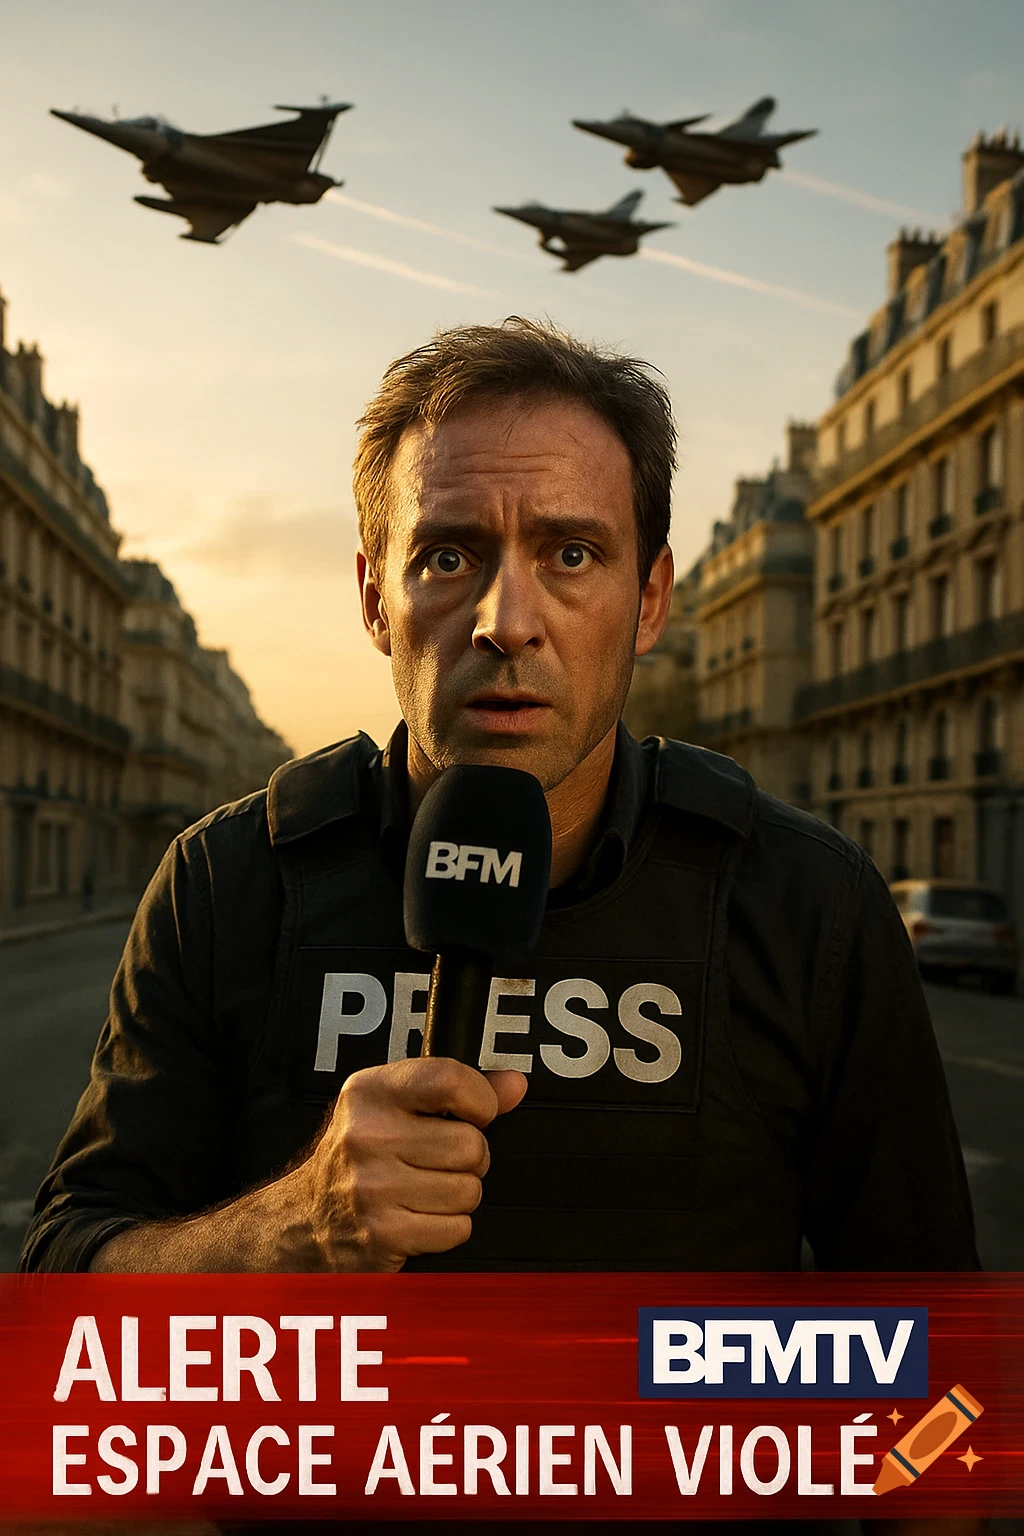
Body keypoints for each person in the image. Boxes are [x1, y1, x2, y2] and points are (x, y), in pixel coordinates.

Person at [21, 320, 984, 1536]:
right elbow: (62, 1317)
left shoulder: (807, 903)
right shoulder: (229, 881)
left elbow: (933, 1380)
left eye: (571, 552)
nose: (505, 619)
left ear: (649, 601)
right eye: (449, 556)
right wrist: (291, 1231)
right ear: (376, 598)